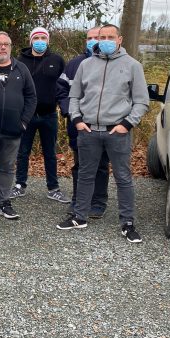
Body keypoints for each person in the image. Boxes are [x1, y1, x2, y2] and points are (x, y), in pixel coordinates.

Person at [58, 23, 149, 242]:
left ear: (120, 39)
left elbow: (141, 101)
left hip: (117, 132)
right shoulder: (86, 65)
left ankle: (127, 223)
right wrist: (77, 119)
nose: (105, 40)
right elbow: (74, 96)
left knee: (123, 178)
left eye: (110, 36)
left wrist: (127, 124)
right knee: (85, 175)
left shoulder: (132, 66)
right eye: (102, 37)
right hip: (88, 131)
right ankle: (79, 216)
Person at [0, 31, 37, 220]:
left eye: (7, 44)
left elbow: (31, 96)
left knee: (8, 167)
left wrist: (24, 122)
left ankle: (2, 203)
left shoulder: (21, 69)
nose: (3, 47)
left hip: (13, 130)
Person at [56, 26, 110, 218]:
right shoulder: (74, 64)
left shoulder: (111, 63)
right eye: (89, 37)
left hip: (104, 125)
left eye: (97, 37)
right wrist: (70, 112)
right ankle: (78, 200)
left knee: (101, 166)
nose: (93, 40)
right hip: (78, 125)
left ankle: (98, 202)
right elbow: (61, 90)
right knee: (80, 165)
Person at [12, 26, 69, 203]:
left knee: (50, 152)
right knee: (23, 151)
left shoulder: (57, 60)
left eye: (43, 39)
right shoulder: (20, 61)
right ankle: (20, 184)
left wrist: (63, 106)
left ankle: (53, 187)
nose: (40, 42)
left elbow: (64, 85)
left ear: (48, 40)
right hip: (27, 115)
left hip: (49, 114)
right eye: (36, 38)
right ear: (31, 41)